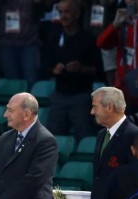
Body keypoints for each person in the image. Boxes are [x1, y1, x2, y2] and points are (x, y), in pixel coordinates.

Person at [44, 0, 102, 141]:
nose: (63, 16)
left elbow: (98, 70)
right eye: (61, 12)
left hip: (81, 96)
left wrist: (81, 68)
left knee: (85, 137)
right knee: (51, 139)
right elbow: (45, 66)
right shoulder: (54, 37)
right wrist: (54, 69)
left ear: (77, 14)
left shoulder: (88, 38)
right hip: (59, 95)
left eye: (67, 12)